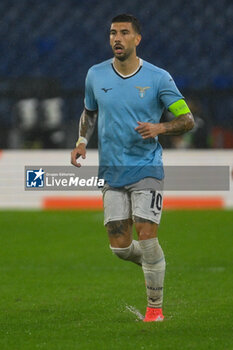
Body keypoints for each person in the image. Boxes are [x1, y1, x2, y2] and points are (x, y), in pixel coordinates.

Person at [71, 14, 194, 322]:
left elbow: (187, 120)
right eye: (113, 32)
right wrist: (81, 141)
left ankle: (155, 309)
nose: (117, 38)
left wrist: (160, 128)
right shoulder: (96, 75)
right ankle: (156, 263)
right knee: (120, 247)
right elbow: (89, 113)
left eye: (124, 33)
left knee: (147, 233)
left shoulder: (158, 78)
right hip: (111, 170)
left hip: (146, 167)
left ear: (137, 39)